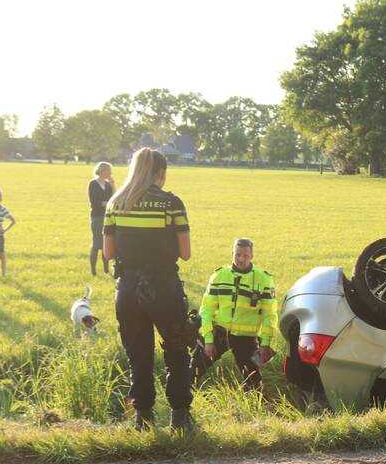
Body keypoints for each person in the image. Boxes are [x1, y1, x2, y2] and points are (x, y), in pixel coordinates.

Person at [102, 147, 195, 432]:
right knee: (177, 350)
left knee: (138, 354)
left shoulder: (115, 203)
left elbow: (107, 253)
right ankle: (180, 418)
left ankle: (143, 418)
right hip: (164, 286)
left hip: (128, 288)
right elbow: (186, 253)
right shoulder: (171, 203)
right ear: (161, 173)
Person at [191, 238, 277, 390]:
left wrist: (265, 344)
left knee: (254, 383)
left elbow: (269, 315)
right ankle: (183, 403)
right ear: (232, 254)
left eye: (245, 255)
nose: (241, 259)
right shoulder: (218, 276)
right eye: (237, 255)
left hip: (246, 337)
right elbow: (207, 310)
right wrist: (209, 340)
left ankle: (255, 408)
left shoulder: (264, 279)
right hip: (220, 332)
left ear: (252, 256)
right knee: (192, 371)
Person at [87, 162, 114, 276]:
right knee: (96, 244)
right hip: (97, 217)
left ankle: (106, 270)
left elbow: (114, 199)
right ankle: (93, 271)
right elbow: (94, 201)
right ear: (102, 171)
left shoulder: (108, 185)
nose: (110, 173)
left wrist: (113, 186)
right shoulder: (93, 183)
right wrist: (106, 203)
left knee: (105, 243)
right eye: (108, 170)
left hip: (107, 216)